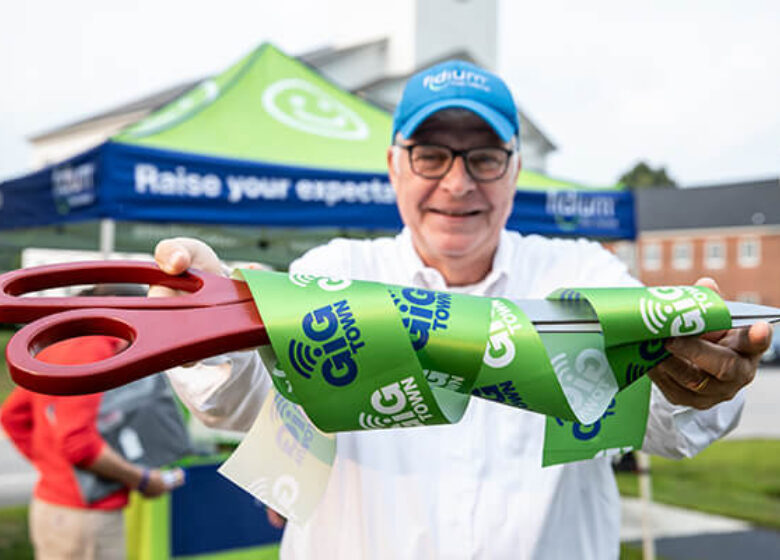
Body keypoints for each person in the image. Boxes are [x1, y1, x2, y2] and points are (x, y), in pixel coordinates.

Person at [153, 60, 770, 559]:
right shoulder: (332, 274)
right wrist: (207, 323)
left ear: (515, 170)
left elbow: (666, 425)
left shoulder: (582, 277)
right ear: (394, 166)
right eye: (430, 154)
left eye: (485, 157)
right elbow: (237, 401)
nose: (457, 183)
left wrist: (699, 376)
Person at [1, 285, 185, 560]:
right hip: (85, 518)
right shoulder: (93, 349)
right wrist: (144, 480)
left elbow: (13, 416)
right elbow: (79, 445)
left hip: (57, 509)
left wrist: (52, 465)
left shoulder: (62, 344)